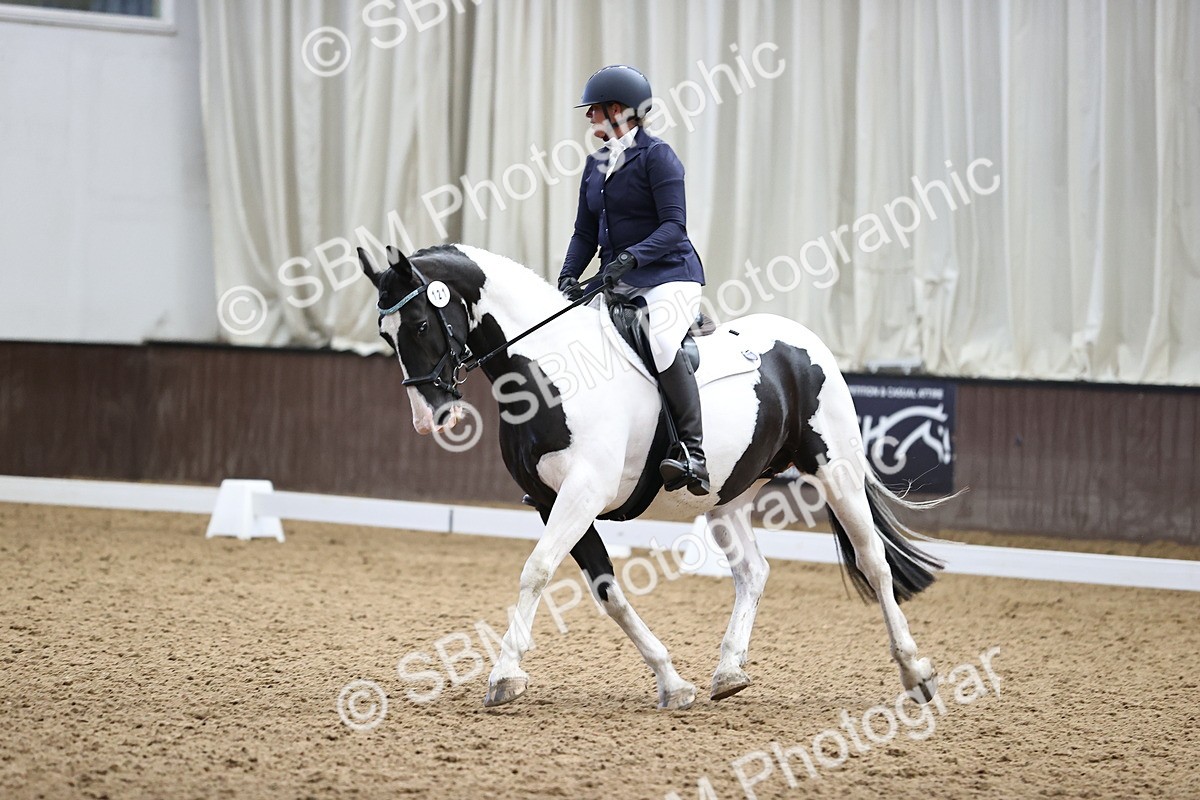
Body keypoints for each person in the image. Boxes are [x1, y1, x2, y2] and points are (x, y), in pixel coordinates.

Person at [557, 65, 710, 496]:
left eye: (595, 110)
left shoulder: (658, 157)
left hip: (669, 276)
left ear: (619, 111)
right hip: (619, 280)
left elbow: (674, 227)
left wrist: (631, 257)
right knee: (570, 342)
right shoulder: (595, 165)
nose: (589, 118)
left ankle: (692, 453)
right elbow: (584, 233)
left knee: (661, 341)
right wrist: (568, 275)